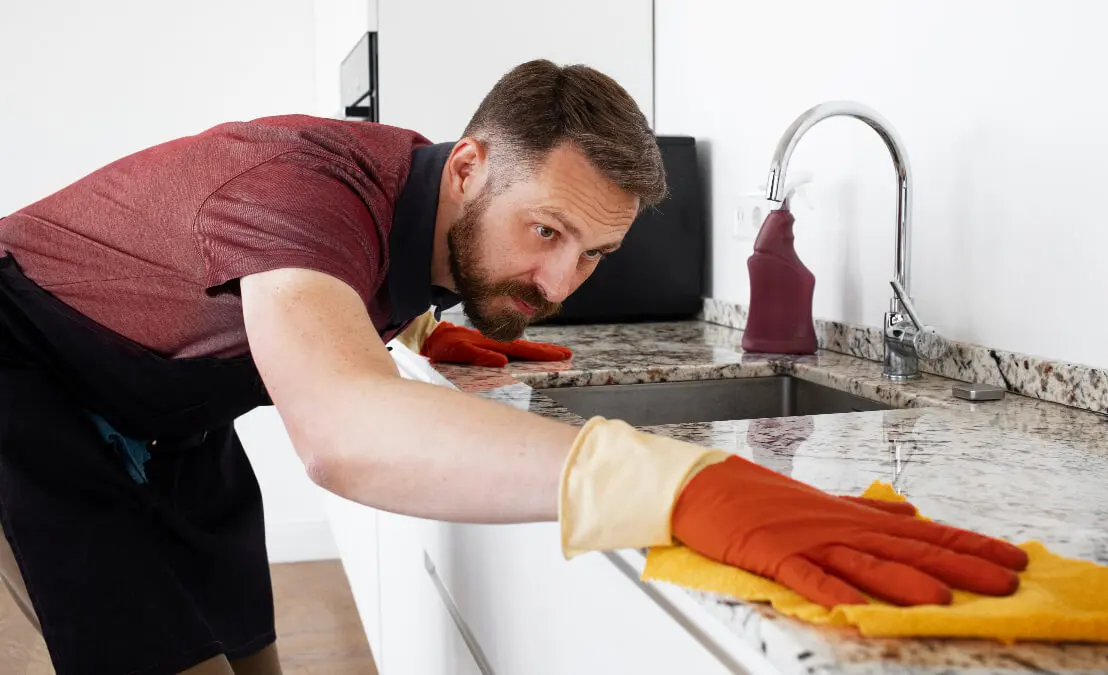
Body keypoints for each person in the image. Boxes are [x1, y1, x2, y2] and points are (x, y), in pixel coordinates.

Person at [0, 59, 1029, 675]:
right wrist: (679, 484)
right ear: (468, 166)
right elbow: (340, 428)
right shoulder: (302, 189)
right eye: (546, 232)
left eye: (594, 254)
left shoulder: (423, 199)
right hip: (24, 375)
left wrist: (417, 331)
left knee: (251, 655)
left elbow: (338, 286)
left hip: (166, 409)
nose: (559, 281)